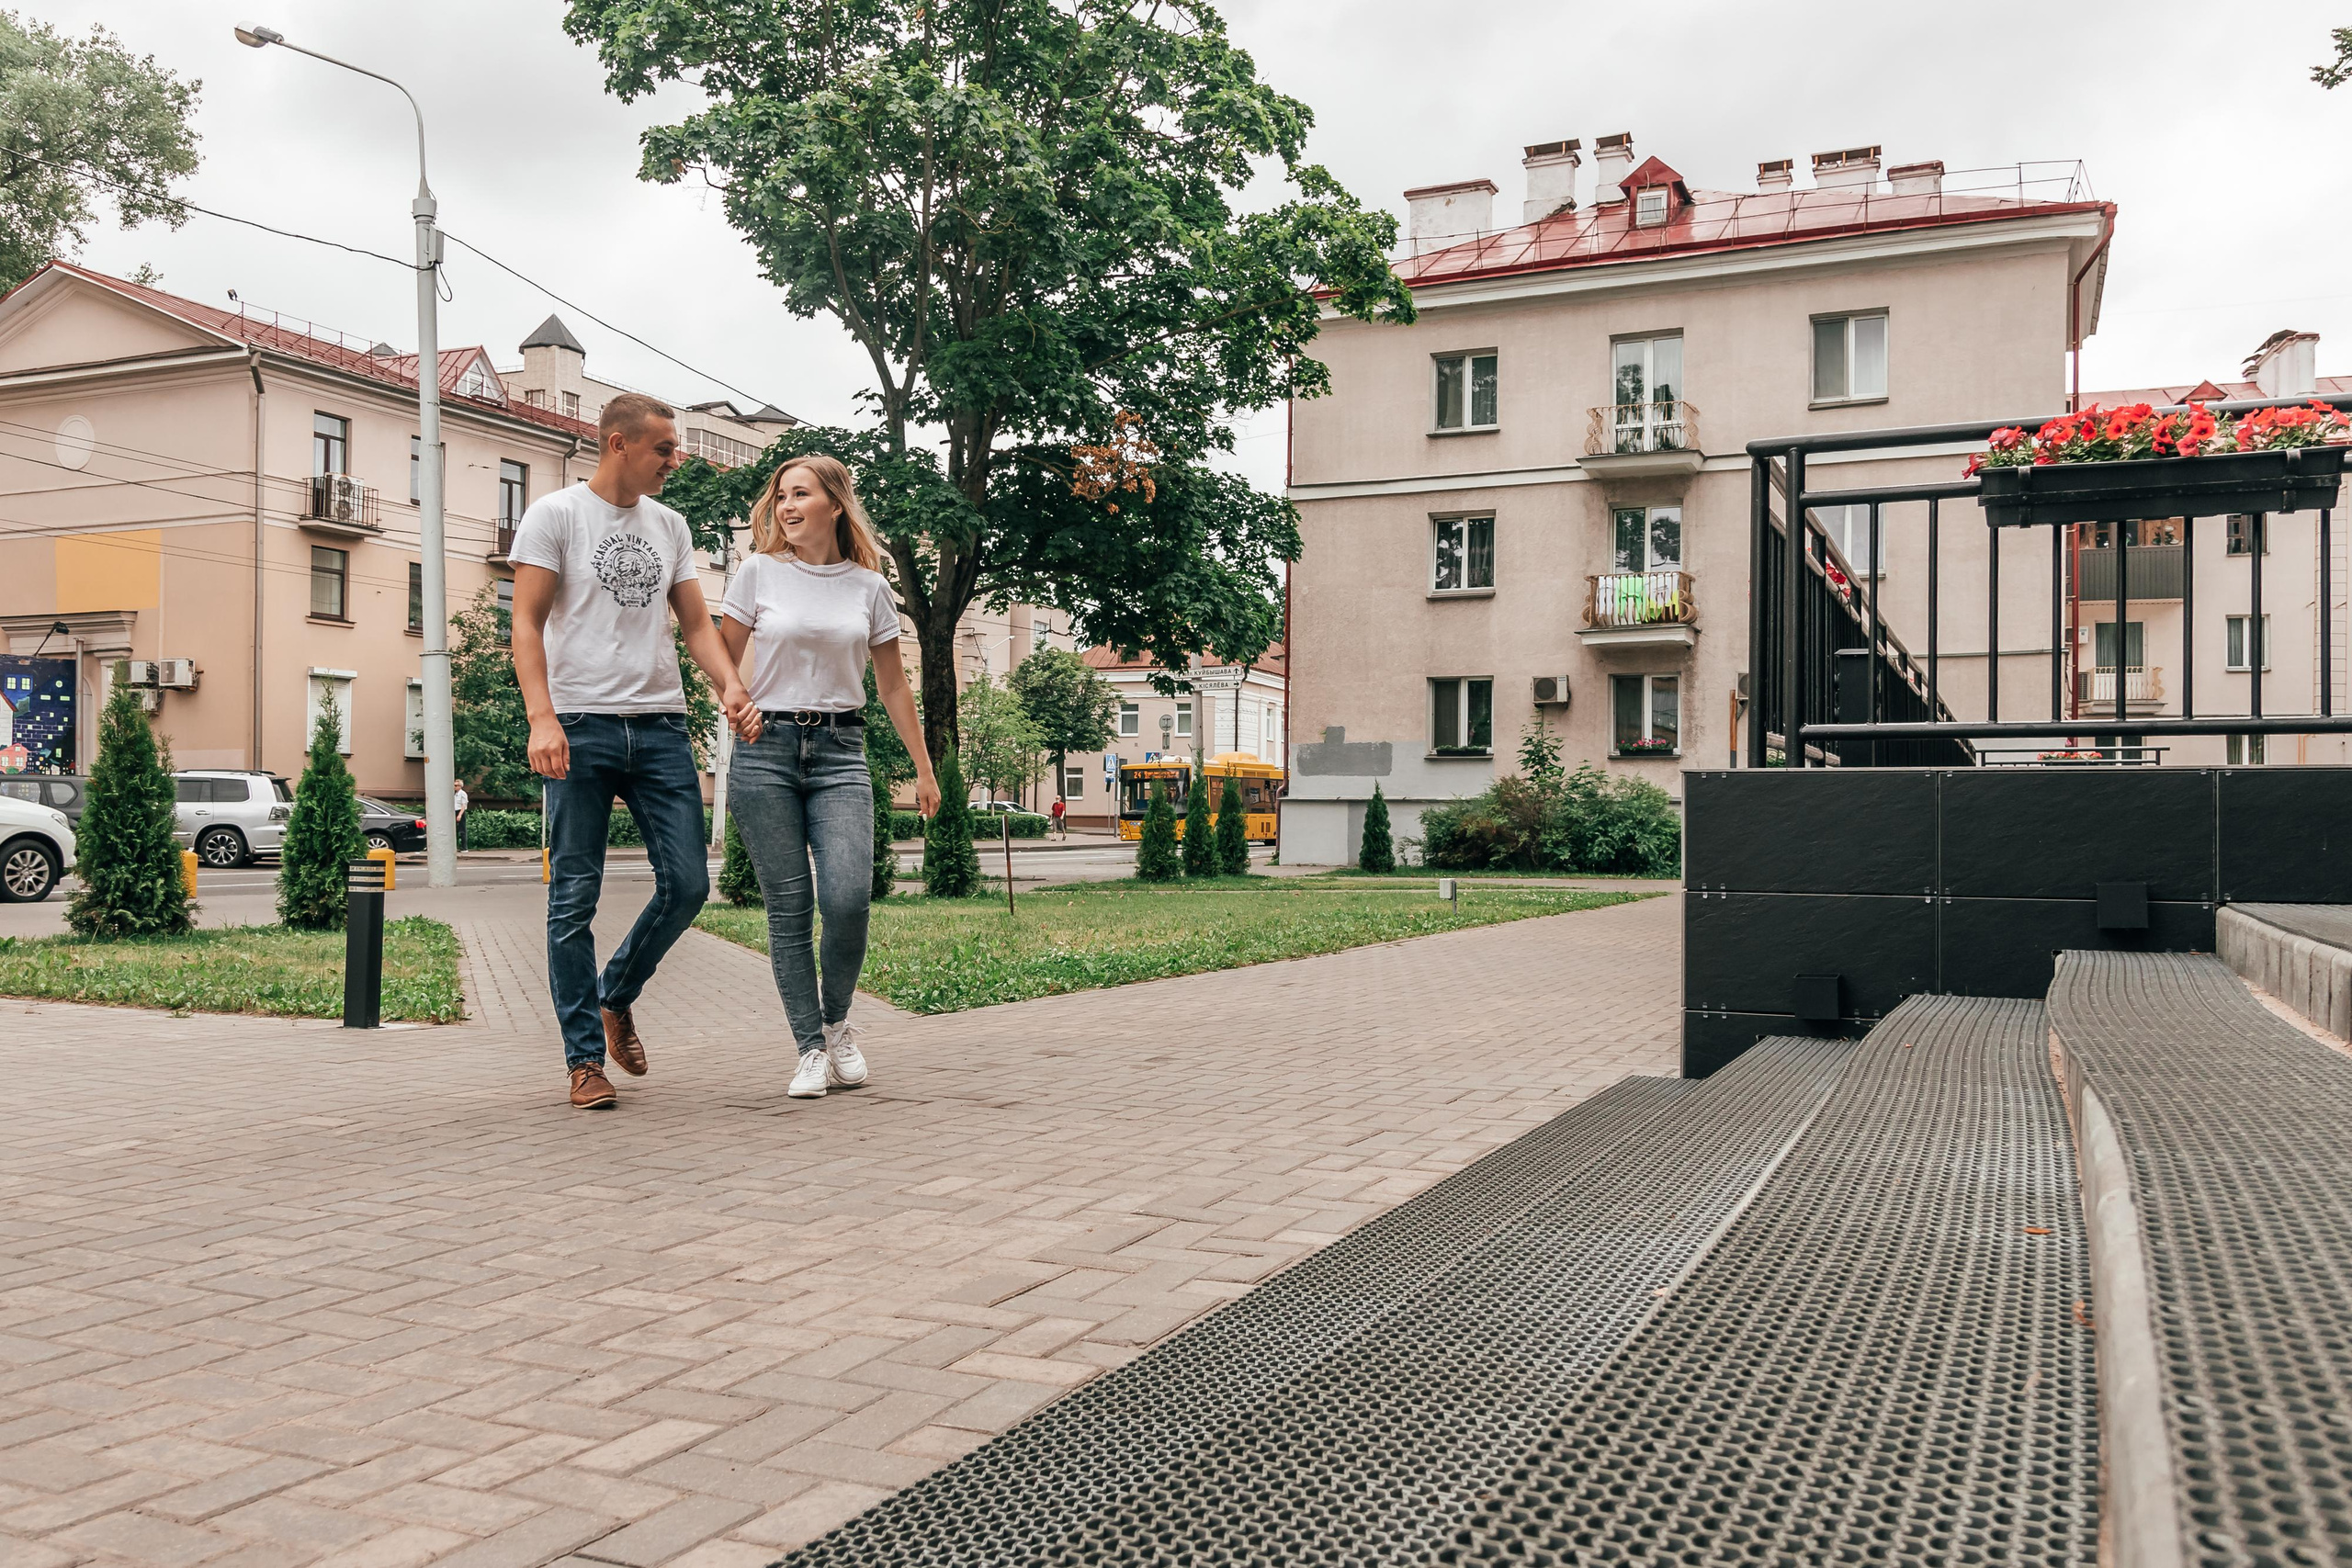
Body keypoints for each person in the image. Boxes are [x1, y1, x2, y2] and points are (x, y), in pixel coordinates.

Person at [510, 391, 756, 1111]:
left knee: (688, 884)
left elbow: (697, 625)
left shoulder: (670, 525)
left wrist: (730, 685)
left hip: (659, 725)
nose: (675, 461)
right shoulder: (555, 515)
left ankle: (615, 992)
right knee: (573, 898)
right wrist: (541, 717)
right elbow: (525, 623)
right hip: (579, 724)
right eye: (664, 449)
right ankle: (584, 1061)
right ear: (619, 444)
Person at [719, 454, 937, 1100]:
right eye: (780, 496)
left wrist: (924, 768)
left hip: (842, 750)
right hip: (765, 749)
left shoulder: (869, 586)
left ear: (835, 505)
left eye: (800, 494)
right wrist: (734, 697)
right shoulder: (757, 572)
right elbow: (721, 659)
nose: (786, 507)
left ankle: (838, 1025)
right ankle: (809, 1048)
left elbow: (893, 685)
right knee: (789, 910)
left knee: (847, 900)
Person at [451, 780, 469, 851]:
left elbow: (464, 805)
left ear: (460, 786)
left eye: (456, 785)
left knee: (462, 830)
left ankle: (464, 847)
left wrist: (460, 815)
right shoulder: (455, 794)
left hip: (460, 812)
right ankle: (457, 846)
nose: (454, 787)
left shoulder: (463, 794)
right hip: (455, 811)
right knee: (455, 830)